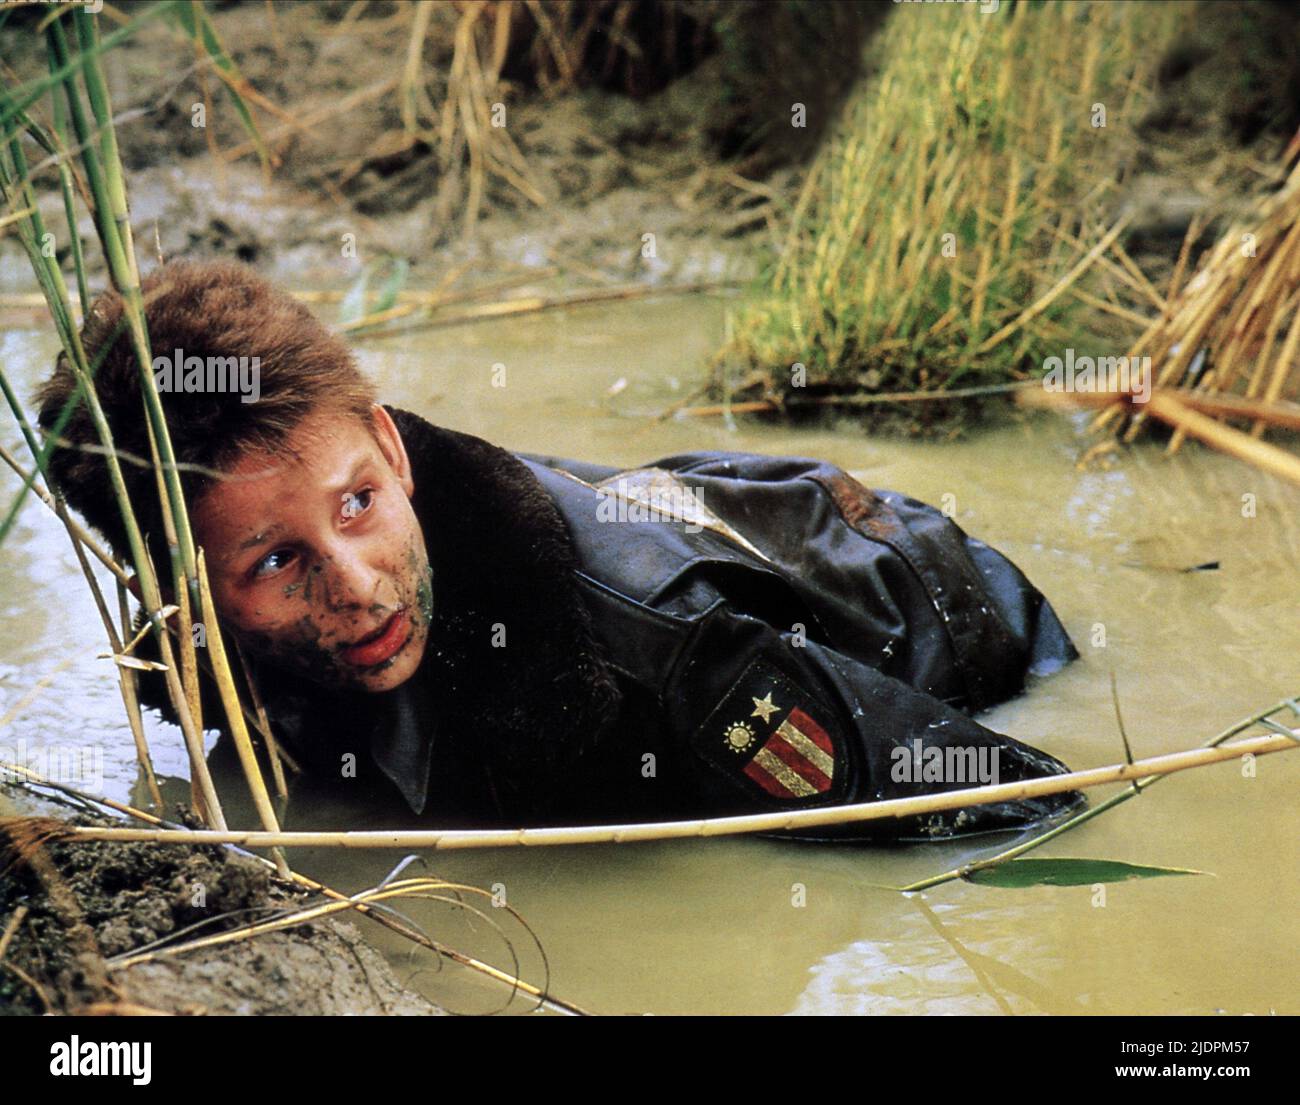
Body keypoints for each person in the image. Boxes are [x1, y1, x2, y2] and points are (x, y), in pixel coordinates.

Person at [36, 260, 1084, 839]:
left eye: (356, 504)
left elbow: (1022, 805)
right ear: (184, 589)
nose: (353, 589)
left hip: (946, 608)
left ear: (392, 449)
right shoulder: (199, 644)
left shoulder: (668, 649)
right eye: (273, 563)